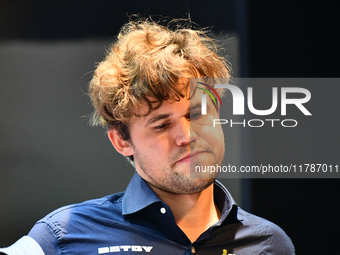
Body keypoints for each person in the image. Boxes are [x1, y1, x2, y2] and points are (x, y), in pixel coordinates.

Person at [0, 18, 295, 255]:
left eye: (196, 115)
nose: (187, 136)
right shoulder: (64, 236)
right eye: (161, 125)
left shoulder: (269, 243)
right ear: (121, 141)